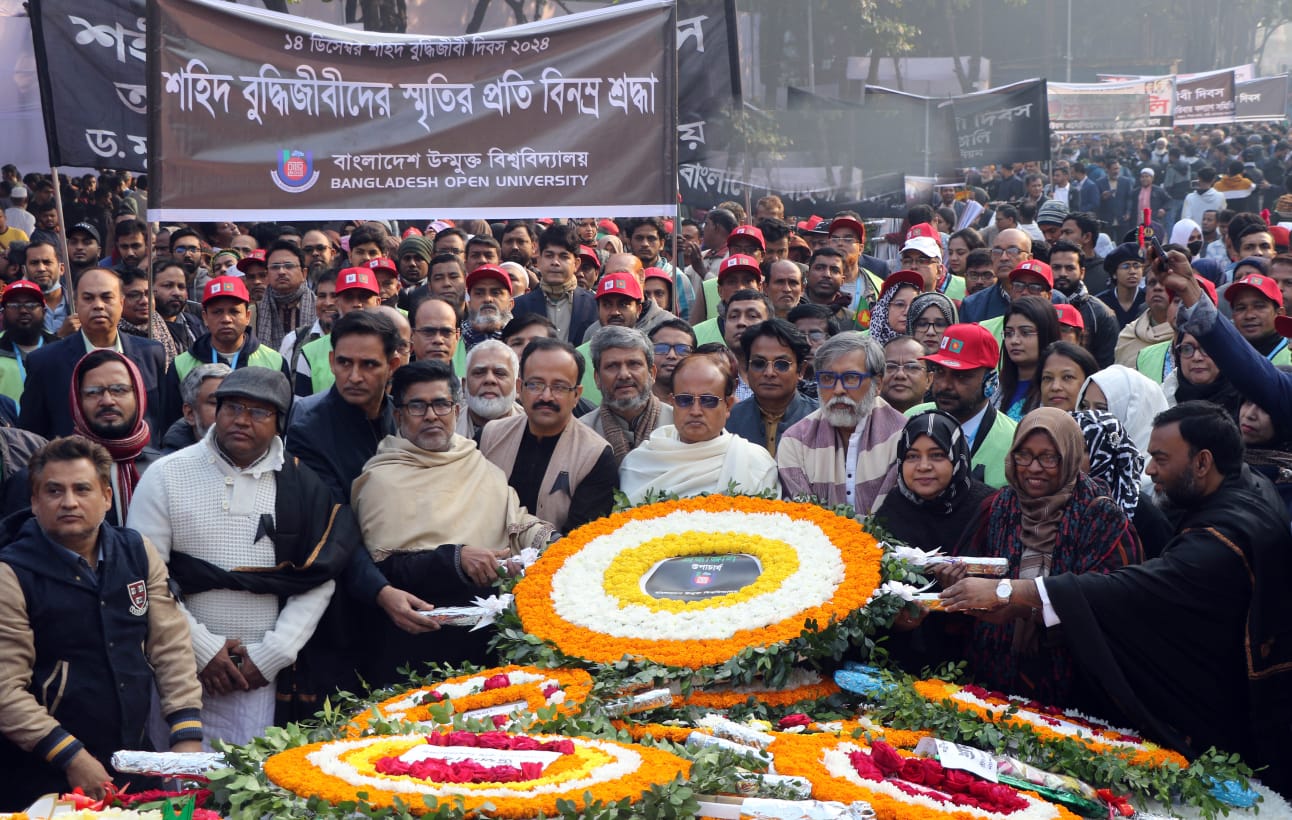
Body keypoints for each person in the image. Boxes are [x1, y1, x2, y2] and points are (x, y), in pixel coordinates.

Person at [943, 402, 1292, 794]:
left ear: (1202, 462)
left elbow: (1128, 590)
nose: (1149, 470)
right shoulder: (1241, 494)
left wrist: (1014, 592)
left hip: (1192, 711)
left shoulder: (1213, 539)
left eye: (1160, 458)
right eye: (1023, 454)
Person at [128, 368, 357, 744]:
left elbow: (317, 578)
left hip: (260, 678)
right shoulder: (166, 475)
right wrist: (201, 649)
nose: (242, 420)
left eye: (260, 412)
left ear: (280, 422)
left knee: (252, 791)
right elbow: (144, 577)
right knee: (177, 790)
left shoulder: (303, 485)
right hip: (178, 671)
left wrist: (271, 655)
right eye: (232, 406)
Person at [0, 437, 203, 808]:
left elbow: (171, 646)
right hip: (41, 770)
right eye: (54, 491)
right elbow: (5, 690)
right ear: (34, 502)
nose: (69, 502)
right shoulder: (10, 573)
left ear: (107, 498)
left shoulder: (137, 551)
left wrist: (185, 733)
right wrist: (72, 756)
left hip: (132, 758)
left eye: (82, 489)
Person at [352, 360, 557, 684]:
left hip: (488, 646)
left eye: (441, 404)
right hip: (414, 648)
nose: (431, 415)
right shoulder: (381, 480)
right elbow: (384, 569)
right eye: (418, 406)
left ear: (456, 409)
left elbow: (515, 522)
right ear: (399, 414)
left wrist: (555, 545)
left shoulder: (478, 465)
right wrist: (456, 559)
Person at [943, 407, 1141, 706]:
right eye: (1024, 454)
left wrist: (1025, 607)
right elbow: (973, 567)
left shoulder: (1100, 516)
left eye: (1049, 457)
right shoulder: (998, 506)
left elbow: (1109, 599)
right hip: (993, 672)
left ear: (1071, 456)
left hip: (1072, 682)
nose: (1033, 468)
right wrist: (955, 582)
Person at [18, 268, 176, 442]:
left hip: (141, 463)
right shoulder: (45, 362)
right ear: (76, 304)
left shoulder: (151, 353)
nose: (98, 305)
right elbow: (30, 435)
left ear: (121, 303)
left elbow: (163, 420)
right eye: (88, 298)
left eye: (107, 297)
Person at [480, 338, 617, 533]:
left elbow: (580, 541)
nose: (546, 396)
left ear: (577, 395)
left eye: (559, 387)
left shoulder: (595, 456)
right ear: (519, 388)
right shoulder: (489, 437)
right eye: (535, 385)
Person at [620, 350, 779, 504]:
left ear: (728, 406)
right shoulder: (640, 463)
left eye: (708, 400)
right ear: (672, 402)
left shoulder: (756, 462)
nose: (695, 411)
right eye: (685, 400)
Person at [776, 333, 904, 511]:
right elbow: (804, 519)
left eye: (851, 378)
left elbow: (893, 517)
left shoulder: (903, 436)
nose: (838, 390)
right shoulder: (796, 440)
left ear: (878, 384)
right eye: (827, 379)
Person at [907, 323, 1017, 488]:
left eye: (961, 376)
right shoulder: (910, 420)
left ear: (990, 382)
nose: (945, 385)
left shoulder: (1014, 440)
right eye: (940, 371)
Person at [1071, 409, 1173, 559]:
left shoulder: (1139, 510)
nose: (1071, 456)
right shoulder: (1047, 499)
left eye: (1084, 450)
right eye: (1066, 447)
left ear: (1105, 455)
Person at [171, 276, 291, 386]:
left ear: (247, 316)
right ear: (205, 317)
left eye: (234, 312)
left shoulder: (275, 362)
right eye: (217, 312)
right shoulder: (181, 365)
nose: (226, 319)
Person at [580, 326, 673, 465]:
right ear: (597, 378)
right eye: (612, 366)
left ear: (652, 373)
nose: (624, 375)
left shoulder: (677, 425)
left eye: (634, 364)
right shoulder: (581, 434)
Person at [725, 320, 817, 455]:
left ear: (801, 370)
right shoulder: (729, 420)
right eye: (758, 363)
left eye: (781, 364)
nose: (769, 372)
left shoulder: (819, 420)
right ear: (746, 368)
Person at [511, 224, 597, 344]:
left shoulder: (595, 304)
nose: (555, 262)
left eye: (563, 256)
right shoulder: (519, 306)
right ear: (539, 261)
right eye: (549, 255)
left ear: (576, 264)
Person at [1078, 365, 1169, 454]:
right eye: (1085, 406)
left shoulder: (1157, 466)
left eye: (1101, 409)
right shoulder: (1078, 458)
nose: (1088, 416)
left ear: (1133, 414)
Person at [997, 296, 1059, 421]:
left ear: (1046, 333)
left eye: (1025, 332)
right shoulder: (995, 388)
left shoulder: (1057, 390)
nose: (1014, 341)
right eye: (1009, 333)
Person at [455, 339, 522, 443]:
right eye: (479, 373)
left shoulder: (535, 429)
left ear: (517, 386)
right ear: (464, 385)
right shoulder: (446, 430)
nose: (489, 379)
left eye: (500, 373)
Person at [0, 280, 56, 404]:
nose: (23, 310)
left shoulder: (60, 349)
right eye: (14, 305)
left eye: (31, 305)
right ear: (3, 313)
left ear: (44, 312)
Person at [255, 240, 315, 351]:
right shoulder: (254, 312)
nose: (281, 271)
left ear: (304, 273)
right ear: (267, 275)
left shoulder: (319, 306)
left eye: (289, 266)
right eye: (275, 267)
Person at [161, 362, 230, 453]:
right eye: (215, 403)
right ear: (190, 413)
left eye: (235, 405)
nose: (228, 412)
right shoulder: (168, 465)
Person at [1036, 341, 1098, 412]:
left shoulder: (1105, 422)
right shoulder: (1030, 422)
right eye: (1048, 378)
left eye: (1067, 377)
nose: (1055, 387)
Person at [1096, 243, 1146, 329]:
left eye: (1136, 266)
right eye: (1126, 266)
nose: (1132, 271)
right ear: (1114, 274)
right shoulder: (1101, 303)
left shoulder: (1147, 299)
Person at [878, 336, 932, 414]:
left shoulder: (939, 424)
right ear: (877, 378)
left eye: (911, 367)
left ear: (929, 380)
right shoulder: (863, 423)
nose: (900, 375)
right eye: (890, 367)